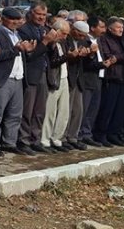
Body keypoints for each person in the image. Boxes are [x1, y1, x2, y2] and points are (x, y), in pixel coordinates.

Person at [0, 8, 35, 156]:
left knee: (15, 114)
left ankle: (9, 142)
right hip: (4, 78)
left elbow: (21, 53)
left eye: (17, 19)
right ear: (3, 18)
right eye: (12, 19)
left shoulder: (17, 34)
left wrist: (28, 50)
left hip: (18, 77)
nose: (15, 22)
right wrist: (16, 49)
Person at [17, 2, 59, 153]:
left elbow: (50, 54)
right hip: (31, 74)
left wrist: (52, 44)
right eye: (38, 14)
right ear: (31, 14)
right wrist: (46, 41)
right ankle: (23, 140)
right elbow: (31, 55)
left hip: (44, 73)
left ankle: (36, 139)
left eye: (44, 15)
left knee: (40, 110)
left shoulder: (44, 29)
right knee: (28, 110)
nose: (41, 17)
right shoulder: (23, 30)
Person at [94, 17, 124, 147]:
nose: (121, 29)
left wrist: (121, 57)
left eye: (122, 27)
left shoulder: (123, 40)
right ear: (110, 28)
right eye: (118, 27)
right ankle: (101, 133)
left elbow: (121, 56)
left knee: (120, 109)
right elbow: (110, 57)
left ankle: (114, 133)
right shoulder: (104, 39)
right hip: (112, 77)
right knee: (108, 108)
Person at [41, 19, 72, 152]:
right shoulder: (51, 44)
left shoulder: (63, 43)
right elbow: (52, 62)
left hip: (64, 77)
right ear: (57, 32)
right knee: (50, 111)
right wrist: (68, 56)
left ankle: (57, 137)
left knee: (64, 111)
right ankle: (45, 138)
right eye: (64, 34)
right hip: (53, 79)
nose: (65, 37)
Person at [64, 17, 93, 150]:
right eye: (80, 34)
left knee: (78, 110)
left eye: (84, 36)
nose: (81, 37)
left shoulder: (84, 42)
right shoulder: (66, 40)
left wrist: (89, 55)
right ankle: (63, 137)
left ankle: (73, 137)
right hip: (68, 77)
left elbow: (87, 63)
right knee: (66, 110)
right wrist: (74, 56)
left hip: (79, 79)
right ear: (74, 30)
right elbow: (64, 57)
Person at [80, 17, 108, 147]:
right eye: (101, 27)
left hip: (99, 78)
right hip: (88, 78)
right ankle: (79, 134)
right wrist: (102, 64)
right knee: (84, 108)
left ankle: (87, 133)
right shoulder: (85, 40)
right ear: (93, 27)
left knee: (93, 109)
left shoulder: (99, 41)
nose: (104, 30)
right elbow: (87, 64)